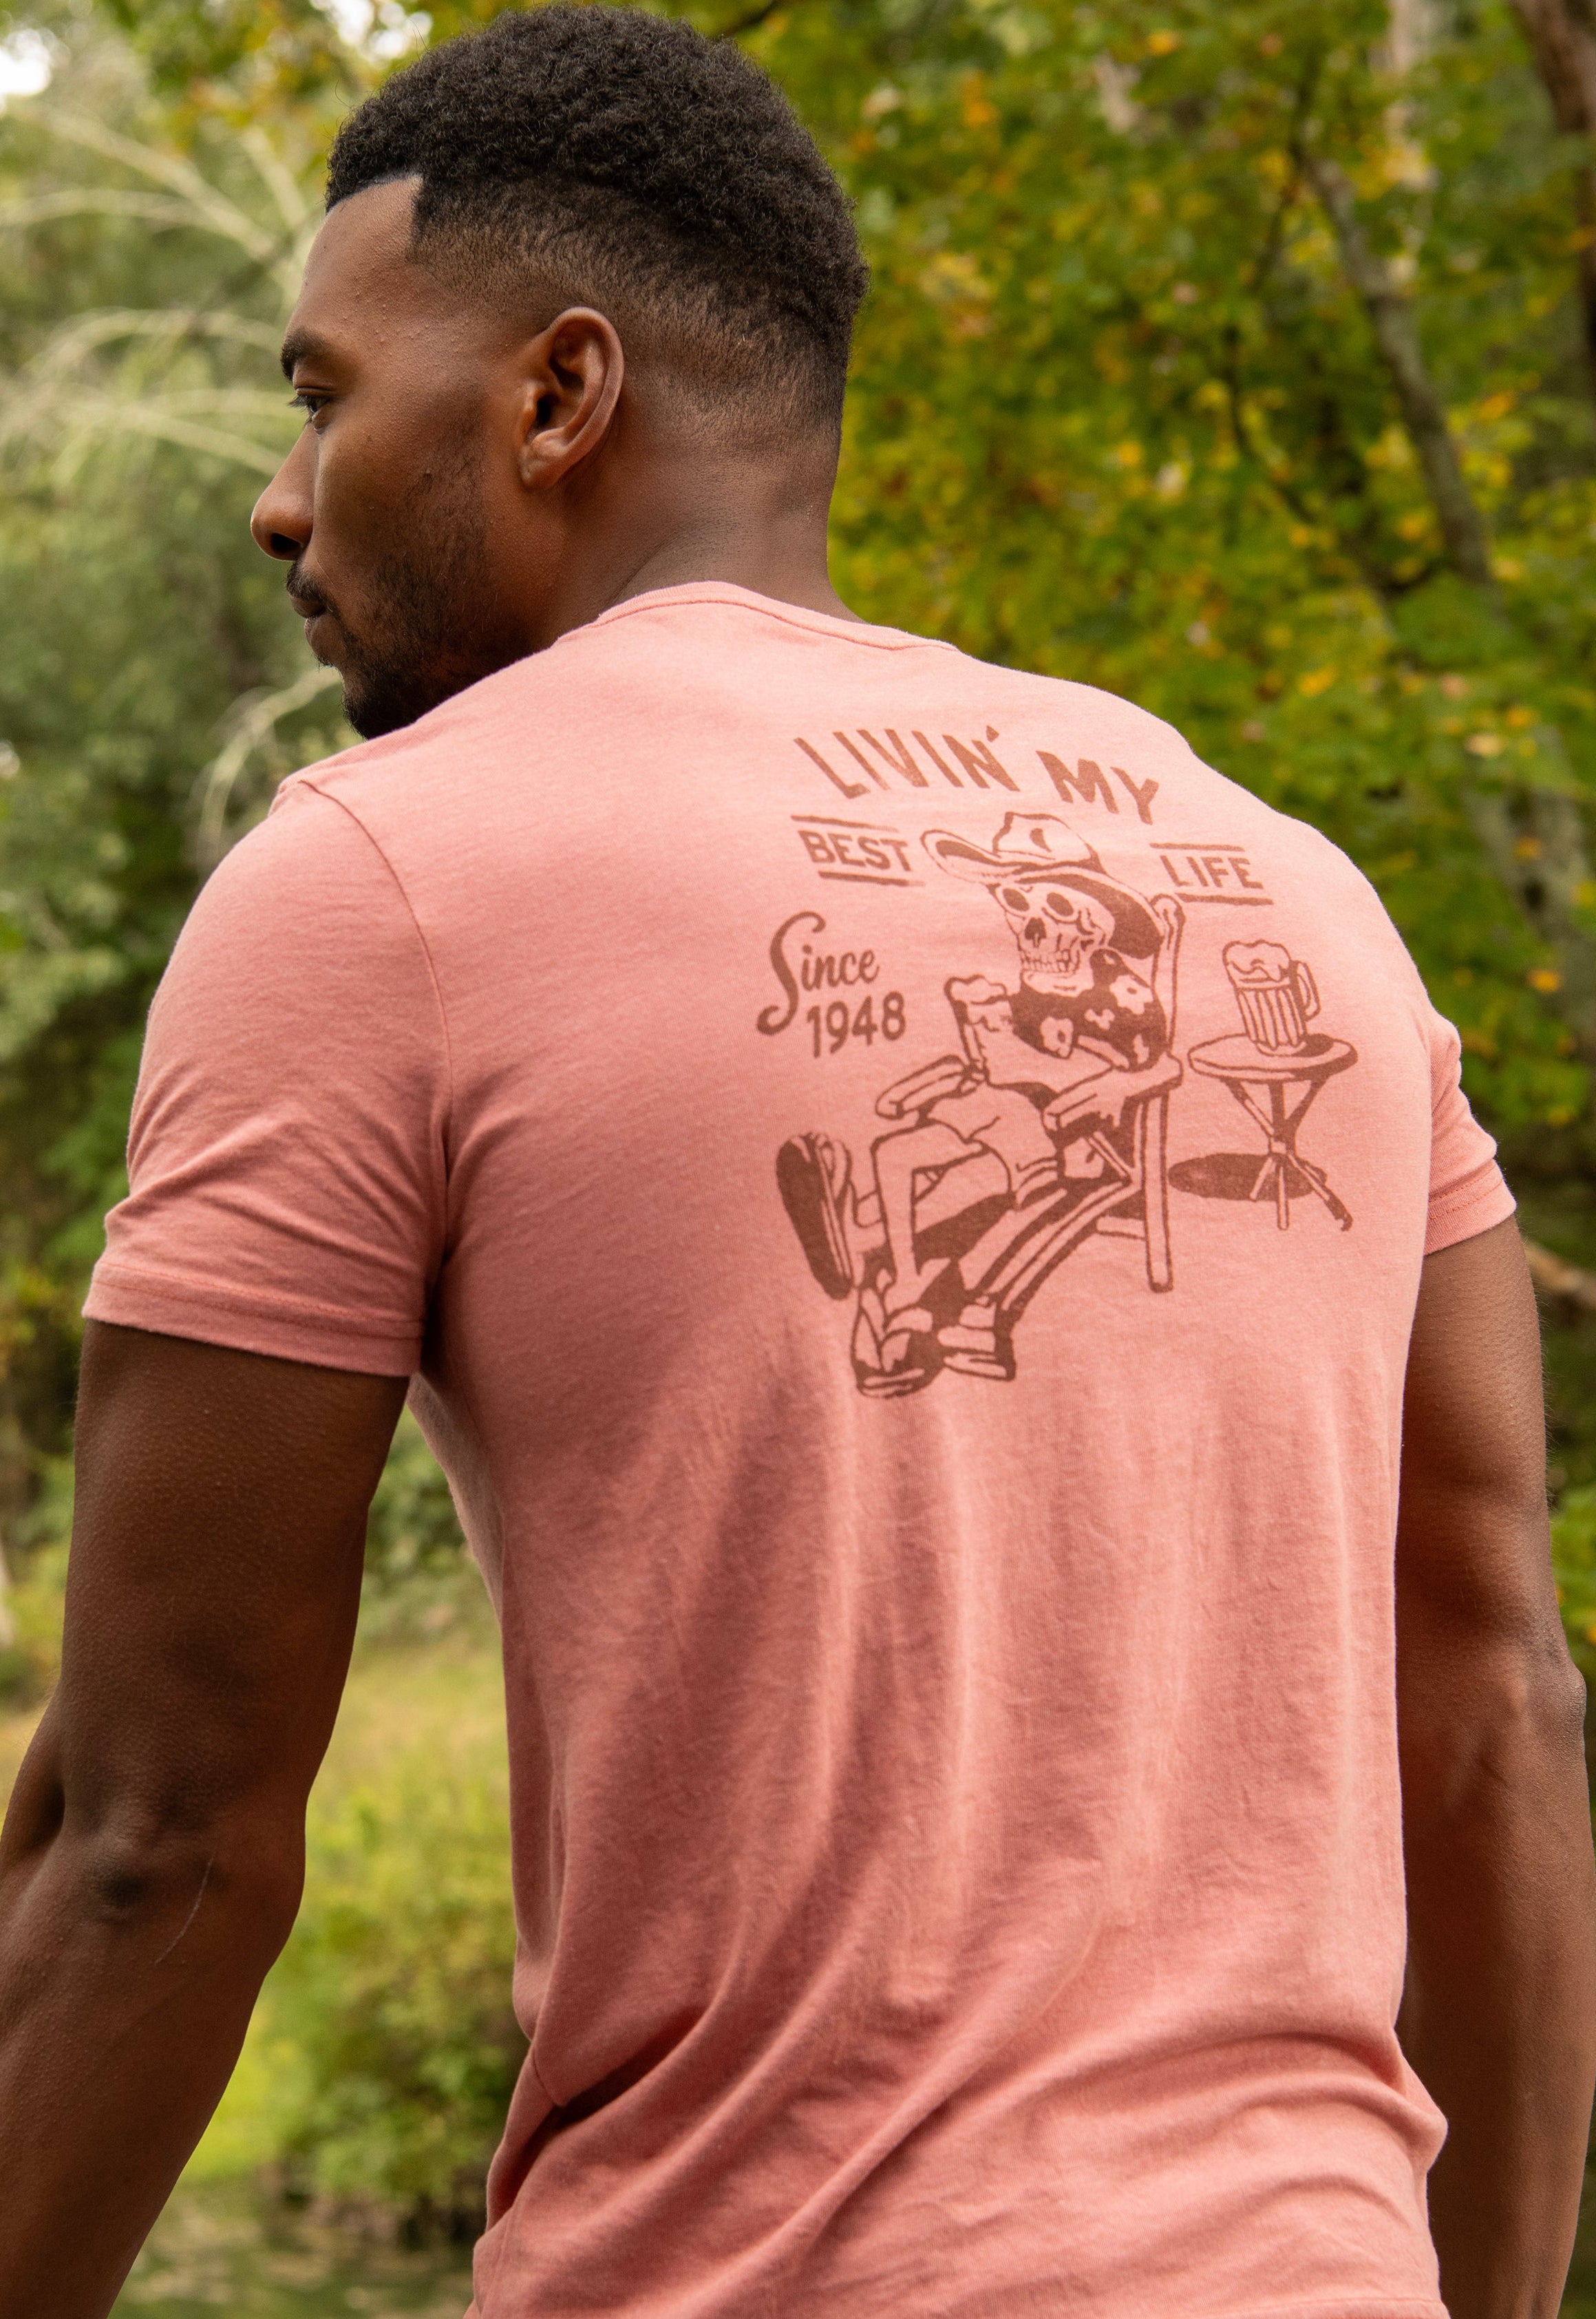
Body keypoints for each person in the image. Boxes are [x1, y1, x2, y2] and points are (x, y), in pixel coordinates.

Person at [0, 9, 1591, 2315]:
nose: (280, 493)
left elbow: (156, 1838)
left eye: (325, 395)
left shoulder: (378, 879)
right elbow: (1501, 1703)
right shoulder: (1287, 886)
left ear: (559, 396)